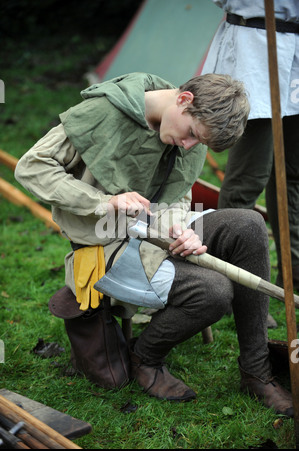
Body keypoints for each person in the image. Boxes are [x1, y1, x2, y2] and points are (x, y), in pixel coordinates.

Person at [15, 72, 293, 416]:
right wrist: (104, 202)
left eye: (199, 143)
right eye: (192, 134)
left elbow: (178, 195)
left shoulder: (185, 134)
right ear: (184, 100)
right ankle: (145, 357)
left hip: (155, 231)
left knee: (249, 224)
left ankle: (257, 370)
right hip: (103, 246)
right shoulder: (102, 112)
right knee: (214, 291)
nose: (190, 145)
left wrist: (179, 229)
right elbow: (30, 167)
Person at [201, 0, 299, 290]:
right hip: (255, 50)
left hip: (296, 53)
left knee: (293, 173)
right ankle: (235, 281)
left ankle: (293, 273)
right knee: (248, 177)